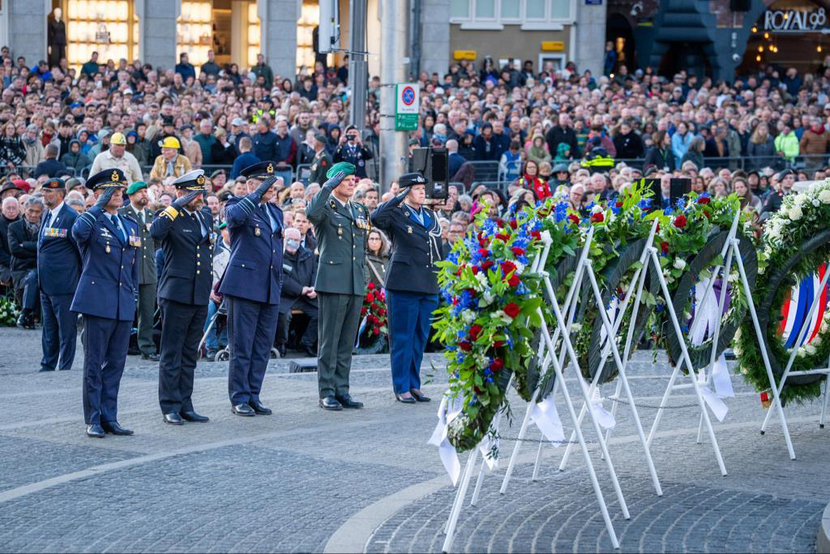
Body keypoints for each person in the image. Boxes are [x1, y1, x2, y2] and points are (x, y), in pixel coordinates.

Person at [70, 168, 139, 438]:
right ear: (98, 194)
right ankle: (94, 418)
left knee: (116, 363)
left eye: (120, 190)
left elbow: (132, 265)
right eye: (112, 190)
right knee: (94, 363)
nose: (119, 194)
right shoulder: (91, 221)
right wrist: (98, 205)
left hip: (122, 302)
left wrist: (132, 295)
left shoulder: (129, 224)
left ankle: (110, 416)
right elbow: (78, 232)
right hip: (97, 301)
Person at [370, 173, 444, 403]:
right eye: (416, 188)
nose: (422, 191)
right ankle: (401, 386)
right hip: (403, 284)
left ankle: (414, 384)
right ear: (405, 191)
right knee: (402, 337)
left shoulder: (431, 215)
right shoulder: (396, 214)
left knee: (420, 337)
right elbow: (375, 217)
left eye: (424, 188)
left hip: (428, 283)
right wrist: (397, 198)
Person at [219, 162, 284, 417]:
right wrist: (256, 195)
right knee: (242, 346)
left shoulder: (275, 212)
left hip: (269, 286)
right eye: (264, 184)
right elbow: (234, 219)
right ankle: (239, 397)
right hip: (245, 286)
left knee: (261, 346)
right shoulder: (236, 204)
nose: (271, 189)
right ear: (250, 185)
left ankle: (254, 393)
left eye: (272, 184)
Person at [150, 170, 213, 425]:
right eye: (193, 193)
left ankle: (186, 403)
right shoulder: (170, 217)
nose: (199, 198)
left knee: (190, 353)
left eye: (201, 193)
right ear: (180, 193)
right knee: (172, 352)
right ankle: (169, 405)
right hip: (176, 294)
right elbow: (155, 232)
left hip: (198, 293)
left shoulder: (204, 217)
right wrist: (175, 205)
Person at [306, 162, 368, 411]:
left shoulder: (358, 209)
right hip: (333, 281)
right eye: (346, 180)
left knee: (346, 342)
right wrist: (327, 187)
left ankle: (342, 389)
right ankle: (327, 391)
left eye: (353, 179)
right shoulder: (326, 207)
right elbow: (311, 213)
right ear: (333, 183)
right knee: (329, 341)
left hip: (354, 281)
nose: (352, 183)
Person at [37, 178, 81, 372]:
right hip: (46, 284)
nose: (45, 195)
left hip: (64, 284)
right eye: (44, 191)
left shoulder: (71, 217)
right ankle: (48, 363)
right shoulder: (47, 214)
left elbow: (80, 251)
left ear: (60, 194)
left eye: (49, 192)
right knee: (49, 330)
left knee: (66, 331)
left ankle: (65, 367)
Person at [118, 181, 159, 361]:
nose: (144, 194)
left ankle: (147, 347)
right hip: (128, 270)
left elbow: (156, 242)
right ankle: (120, 345)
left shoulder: (152, 215)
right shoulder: (122, 215)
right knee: (125, 309)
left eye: (145, 191)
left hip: (148, 269)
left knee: (147, 311)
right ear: (130, 196)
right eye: (139, 192)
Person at [276, 227, 318, 357]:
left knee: (321, 313)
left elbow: (315, 273)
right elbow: (281, 279)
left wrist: (314, 287)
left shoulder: (308, 254)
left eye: (296, 240)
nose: (293, 242)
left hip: (305, 297)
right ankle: (280, 343)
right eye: (290, 239)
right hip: (284, 297)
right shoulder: (277, 255)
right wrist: (300, 289)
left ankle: (307, 342)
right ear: (284, 239)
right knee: (283, 316)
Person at [8, 196, 42, 328]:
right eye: (30, 211)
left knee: (34, 276)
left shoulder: (45, 226)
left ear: (42, 212)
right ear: (24, 210)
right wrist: (36, 248)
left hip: (40, 268)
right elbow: (15, 250)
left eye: (37, 212)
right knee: (32, 277)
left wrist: (25, 245)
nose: (33, 215)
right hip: (20, 269)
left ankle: (26, 313)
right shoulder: (14, 227)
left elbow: (45, 248)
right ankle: (29, 314)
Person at [205, 222, 230, 361]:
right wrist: (209, 292)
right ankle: (211, 346)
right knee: (209, 308)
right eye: (227, 230)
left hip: (229, 294)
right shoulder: (211, 251)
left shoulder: (233, 252)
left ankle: (225, 342)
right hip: (210, 294)